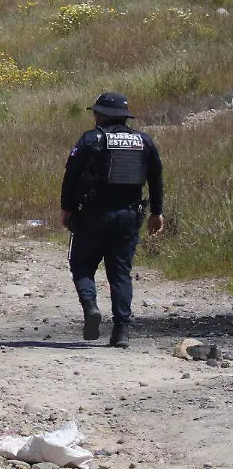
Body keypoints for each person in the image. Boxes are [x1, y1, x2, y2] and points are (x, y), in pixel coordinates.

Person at [61, 92, 165, 348]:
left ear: (104, 115)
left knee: (82, 265)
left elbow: (71, 176)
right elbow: (156, 178)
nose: (94, 116)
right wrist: (156, 212)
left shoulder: (90, 139)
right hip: (129, 217)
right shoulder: (144, 141)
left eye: (96, 112)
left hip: (92, 215)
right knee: (120, 274)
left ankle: (91, 307)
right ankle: (121, 331)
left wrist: (67, 209)